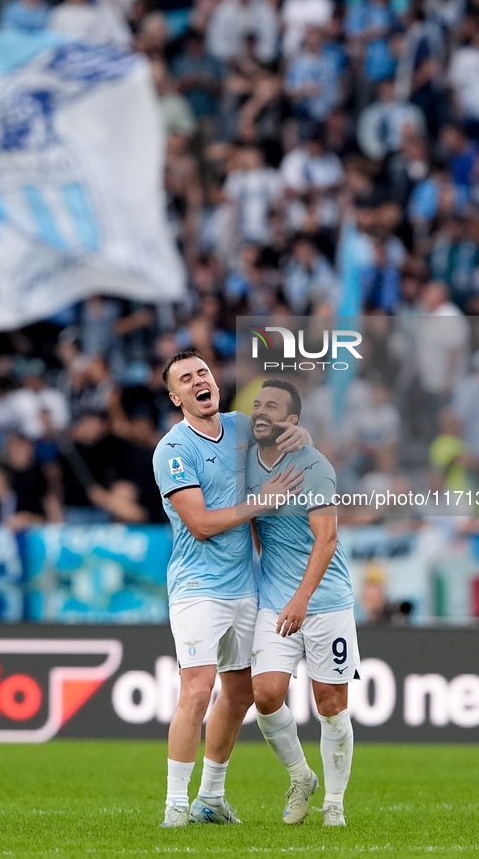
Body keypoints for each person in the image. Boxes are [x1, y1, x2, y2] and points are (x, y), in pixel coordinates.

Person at [152, 350, 307, 828]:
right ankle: (175, 807)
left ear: (214, 382)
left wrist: (299, 436)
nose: (199, 380)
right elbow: (198, 524)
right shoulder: (173, 450)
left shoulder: (241, 427)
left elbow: (288, 441)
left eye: (203, 372)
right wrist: (260, 504)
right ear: (176, 397)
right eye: (186, 378)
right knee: (197, 691)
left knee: (238, 694)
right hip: (198, 587)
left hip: (245, 587)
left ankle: (211, 799)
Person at [246, 379, 359, 827]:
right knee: (266, 695)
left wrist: (301, 598)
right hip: (276, 600)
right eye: (256, 403)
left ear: (291, 421)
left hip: (325, 601)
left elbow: (327, 539)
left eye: (271, 406)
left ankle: (334, 803)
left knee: (330, 704)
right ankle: (300, 776)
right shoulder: (244, 466)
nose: (259, 410)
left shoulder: (315, 467)